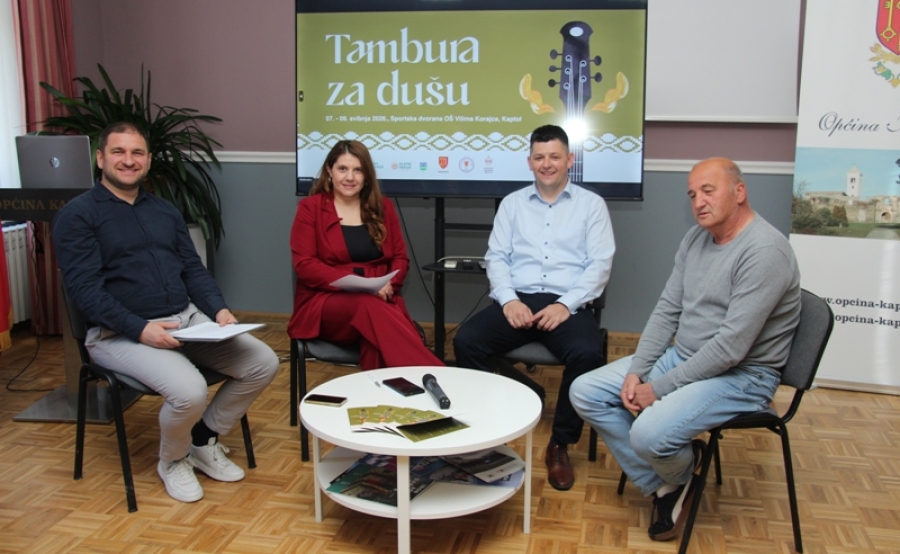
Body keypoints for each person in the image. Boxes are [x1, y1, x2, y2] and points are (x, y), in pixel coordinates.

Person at [570, 158, 801, 542]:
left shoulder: (765, 251)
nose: (698, 202)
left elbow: (730, 349)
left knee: (647, 435)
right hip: (687, 357)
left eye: (708, 191)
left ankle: (675, 469)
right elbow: (667, 311)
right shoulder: (696, 238)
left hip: (744, 375)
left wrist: (657, 389)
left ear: (739, 192)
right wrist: (637, 370)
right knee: (585, 391)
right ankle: (670, 484)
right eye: (692, 195)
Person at [53, 122, 279, 504]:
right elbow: (85, 292)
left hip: (185, 320)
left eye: (137, 153)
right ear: (100, 158)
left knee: (263, 362)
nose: (129, 160)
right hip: (118, 334)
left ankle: (202, 440)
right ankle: (173, 461)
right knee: (190, 391)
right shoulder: (78, 215)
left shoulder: (164, 211)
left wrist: (219, 310)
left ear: (148, 159)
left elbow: (193, 270)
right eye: (119, 152)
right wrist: (140, 329)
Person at [453, 124, 615, 491]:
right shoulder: (512, 204)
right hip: (519, 300)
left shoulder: (592, 205)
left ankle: (560, 445)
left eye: (554, 156)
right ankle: (487, 432)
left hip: (567, 304)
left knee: (588, 353)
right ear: (529, 162)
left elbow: (599, 265)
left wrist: (565, 304)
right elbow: (496, 257)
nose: (547, 164)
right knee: (467, 340)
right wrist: (509, 299)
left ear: (569, 160)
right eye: (539, 157)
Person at [289, 140, 443, 369]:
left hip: (378, 300)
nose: (350, 177)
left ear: (367, 174)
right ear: (329, 171)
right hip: (324, 303)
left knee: (374, 337)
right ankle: (436, 376)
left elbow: (400, 259)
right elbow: (305, 265)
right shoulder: (310, 208)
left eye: (358, 170)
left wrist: (388, 285)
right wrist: (360, 284)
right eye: (343, 169)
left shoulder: (383, 207)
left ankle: (384, 391)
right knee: (367, 306)